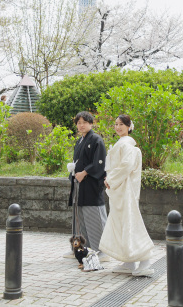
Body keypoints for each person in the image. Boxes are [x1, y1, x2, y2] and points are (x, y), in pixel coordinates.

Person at [99, 114, 154, 277]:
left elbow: (126, 165)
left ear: (129, 126)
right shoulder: (123, 144)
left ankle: (145, 261)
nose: (118, 127)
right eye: (116, 124)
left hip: (125, 190)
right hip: (120, 190)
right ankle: (129, 261)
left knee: (131, 222)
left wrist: (111, 179)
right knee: (123, 223)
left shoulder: (127, 145)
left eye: (121, 124)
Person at [65, 111, 108, 262]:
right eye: (78, 123)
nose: (81, 125)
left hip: (90, 185)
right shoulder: (80, 141)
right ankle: (81, 249)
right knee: (80, 218)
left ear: (91, 123)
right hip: (79, 185)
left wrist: (85, 172)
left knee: (94, 216)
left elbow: (100, 162)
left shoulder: (96, 140)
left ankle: (102, 251)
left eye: (84, 122)